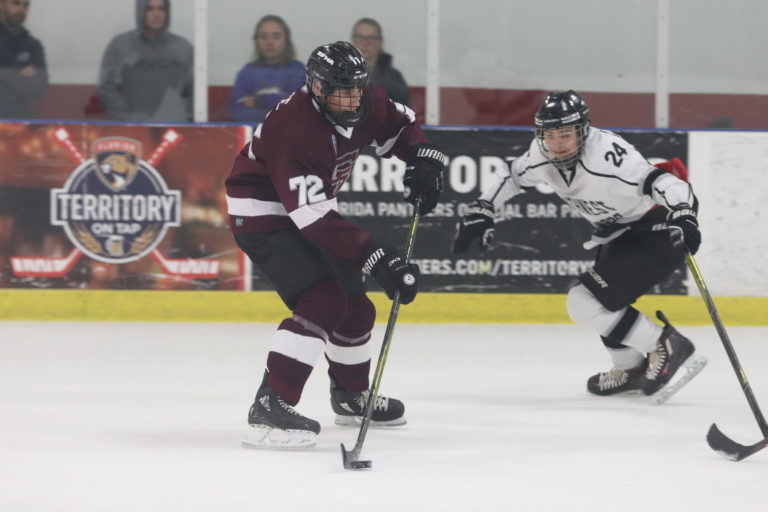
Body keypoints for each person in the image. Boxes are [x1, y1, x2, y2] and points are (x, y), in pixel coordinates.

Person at [225, 41, 445, 448]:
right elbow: (311, 217)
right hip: (261, 216)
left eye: (357, 89)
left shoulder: (364, 99)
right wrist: (377, 259)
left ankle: (348, 397)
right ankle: (271, 404)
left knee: (356, 309)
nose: (351, 99)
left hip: (305, 211)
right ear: (316, 88)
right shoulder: (295, 128)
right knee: (322, 300)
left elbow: (402, 123)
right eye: (340, 91)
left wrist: (423, 156)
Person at [453, 90, 707, 403]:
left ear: (583, 131)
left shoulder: (608, 156)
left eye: (566, 134)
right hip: (619, 232)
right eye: (550, 135)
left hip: (655, 230)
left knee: (584, 301)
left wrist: (684, 214)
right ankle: (631, 368)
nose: (557, 143)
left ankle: (664, 344)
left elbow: (664, 182)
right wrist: (484, 207)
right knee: (605, 301)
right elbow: (512, 175)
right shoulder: (541, 155)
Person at [98, 0, 193, 122]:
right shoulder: (120, 46)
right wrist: (124, 117)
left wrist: (181, 117)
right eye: (150, 9)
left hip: (173, 127)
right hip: (128, 127)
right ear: (140, 11)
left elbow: (194, 91)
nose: (156, 14)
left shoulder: (182, 49)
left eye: (161, 9)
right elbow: (107, 87)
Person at [228, 15, 305, 123]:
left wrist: (259, 101)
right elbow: (236, 111)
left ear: (286, 41)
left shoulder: (298, 71)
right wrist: (275, 110)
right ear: (256, 40)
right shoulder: (247, 72)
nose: (269, 42)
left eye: (276, 36)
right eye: (263, 37)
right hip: (254, 135)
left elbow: (297, 110)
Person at [0, 0, 48, 118]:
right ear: (1, 4)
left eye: (26, 5)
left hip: (19, 122)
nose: (21, 10)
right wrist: (19, 76)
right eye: (16, 3)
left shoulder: (32, 45)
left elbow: (38, 90)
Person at [351, 18, 411, 107]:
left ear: (380, 42)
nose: (365, 43)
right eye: (360, 37)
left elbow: (404, 116)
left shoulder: (393, 78)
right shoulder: (340, 75)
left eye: (370, 38)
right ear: (353, 40)